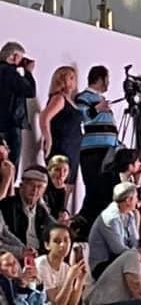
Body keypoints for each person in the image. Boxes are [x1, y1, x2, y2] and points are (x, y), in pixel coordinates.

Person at [76, 66, 119, 224]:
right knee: (95, 190)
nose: (108, 83)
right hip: (93, 151)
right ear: (100, 79)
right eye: (107, 79)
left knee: (108, 190)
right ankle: (86, 224)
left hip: (108, 151)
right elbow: (82, 118)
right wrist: (97, 108)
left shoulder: (100, 99)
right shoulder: (83, 97)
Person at [38, 66, 84, 194]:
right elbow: (44, 117)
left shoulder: (70, 100)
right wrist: (48, 139)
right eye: (71, 78)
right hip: (61, 146)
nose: (74, 81)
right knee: (58, 182)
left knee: (67, 185)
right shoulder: (59, 98)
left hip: (72, 148)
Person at [87, 182, 141, 275]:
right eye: (136, 197)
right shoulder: (111, 218)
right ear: (128, 200)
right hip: (103, 264)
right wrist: (138, 256)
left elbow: (135, 240)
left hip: (121, 257)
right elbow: (118, 249)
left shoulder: (129, 214)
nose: (137, 200)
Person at [0, 41, 36, 173]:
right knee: (11, 165)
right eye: (20, 57)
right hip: (11, 124)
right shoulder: (10, 72)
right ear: (14, 56)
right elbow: (30, 92)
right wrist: (28, 72)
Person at [0, 165, 53, 253]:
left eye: (39, 187)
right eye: (31, 184)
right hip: (14, 255)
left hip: (38, 255)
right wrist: (22, 251)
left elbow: (54, 228)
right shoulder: (7, 206)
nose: (35, 190)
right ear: (21, 186)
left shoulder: (43, 211)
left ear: (44, 191)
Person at [36, 223, 86, 305]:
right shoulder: (41, 264)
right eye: (57, 241)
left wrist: (80, 280)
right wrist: (70, 278)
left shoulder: (66, 267)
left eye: (66, 240)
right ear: (47, 245)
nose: (63, 245)